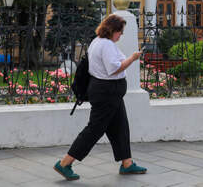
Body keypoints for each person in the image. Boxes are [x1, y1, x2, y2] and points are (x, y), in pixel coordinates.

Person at [54, 14, 147, 180]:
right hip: (107, 93)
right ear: (112, 30)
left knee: (120, 126)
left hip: (108, 92)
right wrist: (133, 58)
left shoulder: (97, 42)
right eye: (120, 31)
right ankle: (64, 163)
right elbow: (114, 69)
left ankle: (127, 163)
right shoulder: (106, 45)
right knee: (94, 129)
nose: (121, 35)